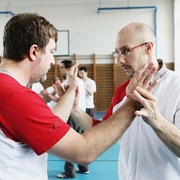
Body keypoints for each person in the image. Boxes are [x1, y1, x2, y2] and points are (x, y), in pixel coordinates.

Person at [0, 12, 157, 180]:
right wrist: (132, 103)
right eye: (51, 52)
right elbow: (84, 152)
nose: (52, 61)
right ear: (34, 52)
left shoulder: (7, 90)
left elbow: (47, 125)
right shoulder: (16, 96)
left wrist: (71, 94)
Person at [70, 22, 180, 180]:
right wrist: (74, 110)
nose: (119, 60)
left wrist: (158, 121)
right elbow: (104, 130)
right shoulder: (123, 91)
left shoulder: (177, 87)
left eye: (126, 51)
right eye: (117, 52)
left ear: (148, 47)